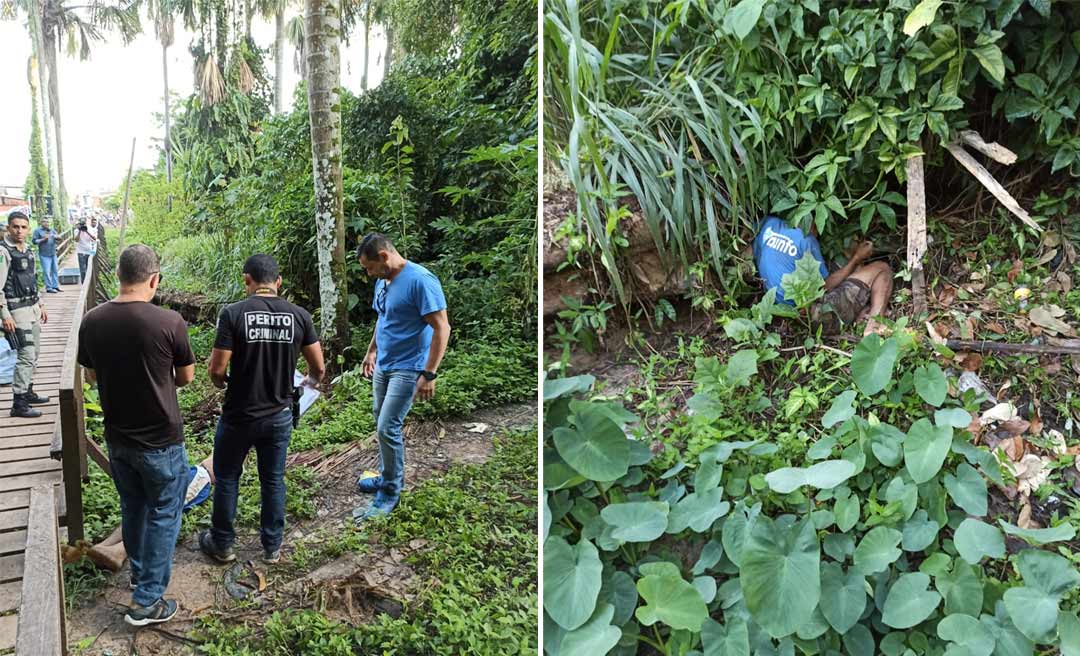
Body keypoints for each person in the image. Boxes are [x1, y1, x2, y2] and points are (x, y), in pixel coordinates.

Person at [77, 244, 195, 627]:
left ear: (118, 276)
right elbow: (185, 377)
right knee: (164, 513)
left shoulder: (92, 320)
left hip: (119, 439)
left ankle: (139, 575)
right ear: (154, 279)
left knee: (134, 507)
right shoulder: (169, 321)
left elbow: (90, 374)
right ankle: (146, 602)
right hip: (162, 440)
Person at [199, 254, 324, 565]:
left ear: (247, 280)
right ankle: (272, 547)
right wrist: (308, 382)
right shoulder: (299, 316)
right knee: (273, 479)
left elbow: (217, 369)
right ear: (278, 282)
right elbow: (318, 368)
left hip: (239, 415)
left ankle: (223, 544)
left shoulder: (233, 313)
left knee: (227, 477)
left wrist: (221, 383)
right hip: (279, 415)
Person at [353, 233, 450, 522]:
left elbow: (442, 328)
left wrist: (429, 373)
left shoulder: (420, 281)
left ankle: (390, 492)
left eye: (369, 267)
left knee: (387, 427)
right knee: (379, 418)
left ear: (384, 257)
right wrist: (371, 351)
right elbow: (383, 318)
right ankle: (387, 476)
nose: (368, 274)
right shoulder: (383, 281)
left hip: (408, 367)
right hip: (384, 363)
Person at [752, 215, 893, 336]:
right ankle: (874, 326)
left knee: (846, 271)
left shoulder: (767, 224)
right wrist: (856, 258)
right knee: (882, 268)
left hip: (784, 311)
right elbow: (825, 286)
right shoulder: (806, 239)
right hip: (813, 317)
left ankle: (863, 312)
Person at [87, 455, 215, 572]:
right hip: (195, 473)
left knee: (160, 511)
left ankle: (120, 551)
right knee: (147, 507)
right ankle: (104, 546)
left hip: (201, 478)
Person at [0, 211, 49, 418]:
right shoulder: (3, 252)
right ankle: (18, 403)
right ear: (8, 228)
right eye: (15, 227)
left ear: (28, 229)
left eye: (23, 227)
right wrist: (5, 315)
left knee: (34, 352)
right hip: (16, 310)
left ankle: (28, 391)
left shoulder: (28, 250)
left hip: (32, 307)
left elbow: (33, 279)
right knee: (26, 354)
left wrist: (41, 304)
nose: (19, 231)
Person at [32, 216, 60, 293]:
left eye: (47, 222)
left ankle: (55, 286)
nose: (46, 223)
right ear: (41, 222)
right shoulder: (37, 231)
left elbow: (59, 238)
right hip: (44, 255)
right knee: (47, 271)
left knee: (55, 270)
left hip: (53, 253)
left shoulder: (52, 230)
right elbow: (34, 241)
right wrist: (43, 239)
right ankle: (49, 288)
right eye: (44, 221)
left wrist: (57, 237)